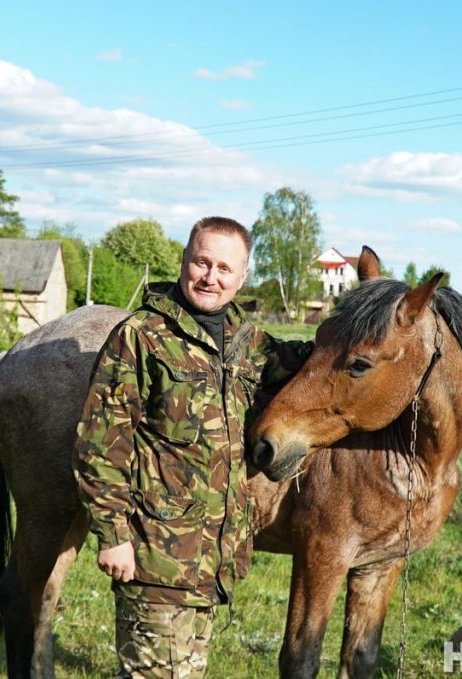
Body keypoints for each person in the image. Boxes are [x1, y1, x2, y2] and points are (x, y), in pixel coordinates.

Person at [73, 216, 312, 678]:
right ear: (184, 261)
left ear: (242, 277)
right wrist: (113, 536)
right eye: (202, 262)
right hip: (154, 556)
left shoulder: (248, 344)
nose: (211, 277)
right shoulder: (142, 336)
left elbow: (312, 365)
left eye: (225, 268)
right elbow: (101, 444)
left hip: (213, 561)